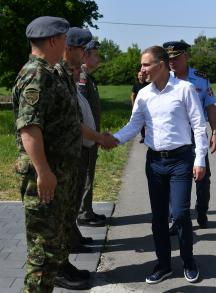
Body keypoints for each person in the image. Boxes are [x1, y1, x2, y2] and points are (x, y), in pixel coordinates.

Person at [113, 46, 208, 284]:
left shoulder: (184, 89)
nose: (142, 69)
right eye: (141, 65)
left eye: (146, 64)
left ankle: (188, 260)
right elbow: (134, 126)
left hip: (181, 160)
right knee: (158, 217)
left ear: (162, 64)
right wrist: (111, 139)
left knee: (181, 214)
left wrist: (200, 159)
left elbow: (198, 125)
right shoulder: (144, 94)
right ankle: (164, 264)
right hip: (155, 162)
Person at [11, 16, 89, 292]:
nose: (67, 45)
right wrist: (43, 172)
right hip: (44, 178)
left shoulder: (51, 71)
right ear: (55, 40)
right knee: (42, 255)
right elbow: (29, 127)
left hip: (58, 173)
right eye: (66, 39)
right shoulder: (37, 74)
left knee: (54, 249)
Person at [54, 28, 117, 289]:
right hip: (63, 158)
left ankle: (63, 262)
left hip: (73, 153)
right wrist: (100, 138)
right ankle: (57, 269)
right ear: (67, 48)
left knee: (65, 213)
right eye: (83, 50)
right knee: (55, 221)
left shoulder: (67, 77)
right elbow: (68, 122)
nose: (87, 55)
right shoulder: (54, 76)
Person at [163, 41, 216, 229]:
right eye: (169, 59)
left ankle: (201, 211)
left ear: (186, 57)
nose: (172, 62)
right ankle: (174, 219)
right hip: (174, 135)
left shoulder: (200, 79)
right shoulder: (164, 79)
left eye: (176, 58)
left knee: (203, 177)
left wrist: (215, 131)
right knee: (173, 178)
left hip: (197, 135)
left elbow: (210, 106)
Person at [76, 40, 107, 227]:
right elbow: (80, 110)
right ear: (85, 55)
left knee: (89, 173)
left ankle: (87, 209)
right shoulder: (81, 77)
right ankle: (83, 212)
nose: (98, 58)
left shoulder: (87, 77)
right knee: (86, 173)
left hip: (91, 136)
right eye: (95, 54)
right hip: (85, 138)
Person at [130, 71, 149, 143]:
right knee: (141, 121)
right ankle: (143, 137)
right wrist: (133, 105)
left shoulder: (148, 84)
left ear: (144, 76)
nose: (141, 76)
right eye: (140, 75)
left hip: (147, 105)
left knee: (148, 121)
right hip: (139, 105)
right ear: (138, 77)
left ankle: (150, 136)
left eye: (142, 75)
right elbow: (132, 95)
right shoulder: (136, 85)